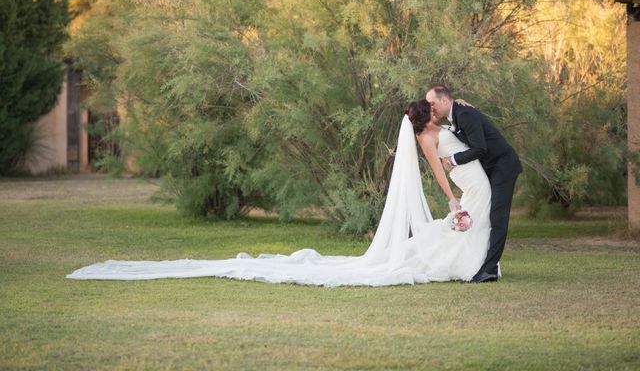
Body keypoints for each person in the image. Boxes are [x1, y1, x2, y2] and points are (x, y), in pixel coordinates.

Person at [66, 102, 492, 286]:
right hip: (464, 188)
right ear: (425, 117)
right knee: (444, 231)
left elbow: (454, 136)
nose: (436, 112)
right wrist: (452, 200)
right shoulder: (427, 138)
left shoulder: (440, 128)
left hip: (468, 183)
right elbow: (439, 171)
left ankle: (475, 259)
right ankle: (469, 259)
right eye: (432, 109)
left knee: (449, 230)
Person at [426, 84, 522, 283]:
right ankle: (485, 265)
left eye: (432, 103)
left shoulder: (465, 114)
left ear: (444, 100)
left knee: (498, 218)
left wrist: (452, 160)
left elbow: (480, 148)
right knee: (489, 216)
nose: (431, 108)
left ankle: (489, 270)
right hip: (492, 169)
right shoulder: (458, 115)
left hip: (503, 167)